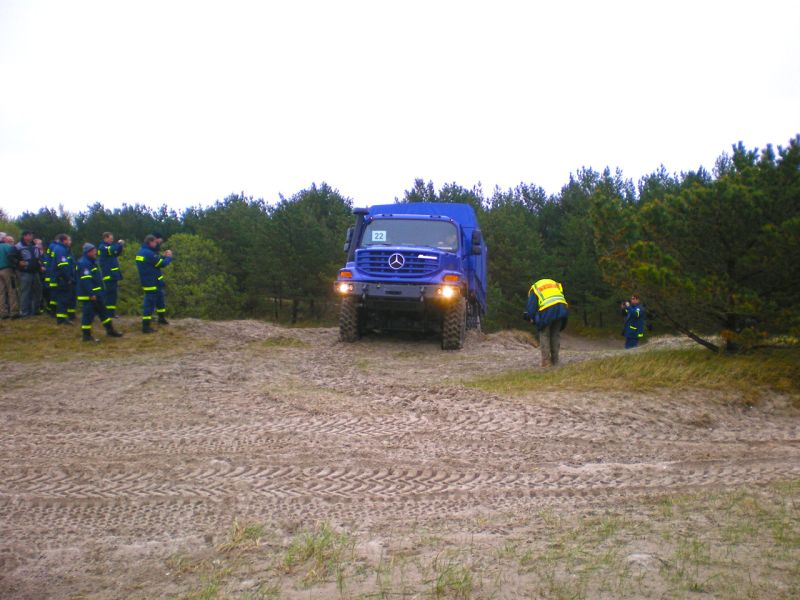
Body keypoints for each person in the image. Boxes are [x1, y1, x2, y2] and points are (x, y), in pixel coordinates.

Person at [76, 243, 123, 341]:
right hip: (89, 295)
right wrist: (91, 294)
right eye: (93, 251)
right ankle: (86, 336)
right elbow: (86, 280)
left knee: (103, 313)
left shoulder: (91, 261)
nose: (95, 252)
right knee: (88, 315)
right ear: (88, 252)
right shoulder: (84, 263)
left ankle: (110, 330)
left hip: (97, 294)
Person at [524, 277, 569, 367]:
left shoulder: (535, 288)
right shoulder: (554, 284)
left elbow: (531, 307)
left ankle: (546, 362)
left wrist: (529, 317)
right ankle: (555, 361)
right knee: (555, 334)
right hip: (562, 309)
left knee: (544, 334)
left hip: (547, 310)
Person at [136, 234, 173, 333]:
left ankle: (161, 318)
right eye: (155, 242)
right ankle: (146, 326)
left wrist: (163, 256)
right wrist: (169, 257)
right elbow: (161, 263)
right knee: (150, 303)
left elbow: (155, 259)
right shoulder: (148, 253)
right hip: (151, 282)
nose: (156, 244)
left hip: (151, 281)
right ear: (150, 242)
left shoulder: (142, 252)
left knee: (160, 299)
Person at [48, 233, 77, 324]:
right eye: (69, 240)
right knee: (63, 298)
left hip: (64, 277)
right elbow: (63, 266)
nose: (70, 242)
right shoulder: (60, 250)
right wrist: (68, 278)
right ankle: (61, 319)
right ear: (64, 240)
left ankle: (63, 317)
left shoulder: (64, 249)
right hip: (62, 278)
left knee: (65, 298)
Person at [15, 230, 44, 317]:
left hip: (35, 272)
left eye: (32, 235)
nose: (31, 237)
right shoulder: (18, 246)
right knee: (25, 292)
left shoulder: (34, 246)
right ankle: (24, 312)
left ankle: (35, 310)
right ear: (25, 236)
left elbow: (38, 257)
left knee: (38, 291)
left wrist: (40, 266)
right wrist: (18, 262)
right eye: (30, 235)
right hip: (25, 272)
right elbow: (11, 257)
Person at [97, 232, 125, 317]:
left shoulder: (109, 247)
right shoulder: (103, 247)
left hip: (113, 274)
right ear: (105, 238)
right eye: (110, 238)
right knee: (108, 293)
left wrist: (120, 246)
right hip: (108, 274)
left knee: (113, 294)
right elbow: (112, 250)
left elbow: (116, 252)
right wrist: (119, 243)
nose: (112, 239)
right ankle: (105, 313)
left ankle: (111, 313)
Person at [0, 233, 21, 319]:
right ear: (4, 239)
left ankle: (3, 312)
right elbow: (13, 257)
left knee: (1, 292)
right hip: (8, 270)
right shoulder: (8, 247)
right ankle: (14, 312)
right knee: (12, 290)